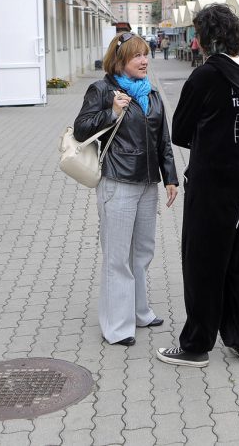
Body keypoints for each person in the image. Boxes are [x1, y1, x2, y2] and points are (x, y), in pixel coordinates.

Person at [156, 3, 239, 368]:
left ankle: (197, 344)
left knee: (203, 260)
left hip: (212, 180)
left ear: (203, 39)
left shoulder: (204, 77)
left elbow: (181, 132)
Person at [73, 33, 179, 347]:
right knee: (117, 256)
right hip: (117, 181)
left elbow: (163, 141)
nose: (145, 60)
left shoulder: (152, 94)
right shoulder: (103, 90)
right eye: (137, 56)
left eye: (146, 55)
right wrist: (112, 112)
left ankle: (138, 311)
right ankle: (117, 326)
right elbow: (81, 129)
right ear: (120, 61)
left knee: (142, 251)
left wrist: (170, 177)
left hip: (148, 184)